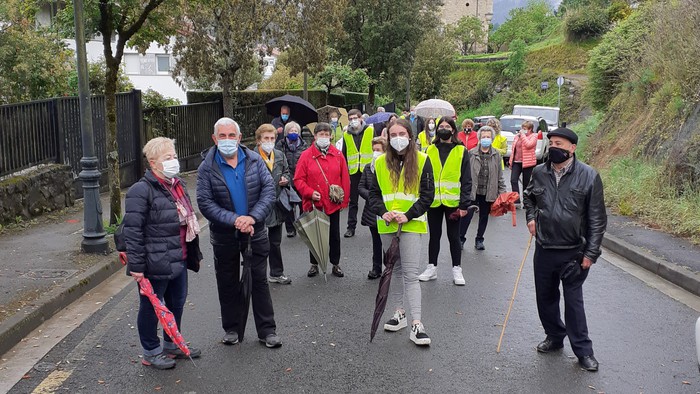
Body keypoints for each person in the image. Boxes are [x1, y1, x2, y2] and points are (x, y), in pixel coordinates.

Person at [523, 127, 607, 372]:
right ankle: (554, 336)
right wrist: (531, 217)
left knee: (574, 303)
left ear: (572, 148)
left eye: (560, 143)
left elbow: (597, 220)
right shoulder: (539, 173)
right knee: (545, 298)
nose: (554, 148)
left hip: (574, 251)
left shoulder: (589, 176)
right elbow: (529, 197)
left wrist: (591, 254)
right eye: (551, 143)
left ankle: (583, 351)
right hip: (544, 247)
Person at [197, 117, 282, 348]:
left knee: (259, 282)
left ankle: (267, 331)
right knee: (227, 282)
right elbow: (205, 203)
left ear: (239, 138)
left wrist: (252, 218)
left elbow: (268, 192)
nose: (227, 140)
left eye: (231, 135)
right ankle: (232, 328)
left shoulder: (254, 160)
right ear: (214, 139)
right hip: (225, 236)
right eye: (222, 136)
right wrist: (235, 220)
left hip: (255, 231)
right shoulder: (206, 167)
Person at [123, 137, 202, 370]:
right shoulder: (141, 190)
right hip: (154, 261)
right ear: (153, 162)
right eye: (168, 158)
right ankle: (151, 351)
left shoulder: (177, 185)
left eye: (174, 156)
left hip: (179, 255)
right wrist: (136, 266)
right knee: (150, 308)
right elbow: (133, 231)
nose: (174, 161)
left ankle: (171, 343)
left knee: (176, 303)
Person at [368, 118, 434, 346]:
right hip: (387, 224)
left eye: (401, 133)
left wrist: (409, 215)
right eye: (392, 134)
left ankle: (417, 324)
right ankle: (399, 314)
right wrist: (383, 211)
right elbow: (373, 195)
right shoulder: (379, 163)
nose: (397, 138)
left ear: (410, 135)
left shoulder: (423, 160)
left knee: (410, 274)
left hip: (411, 225)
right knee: (392, 271)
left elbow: (428, 196)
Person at [418, 118, 472, 285]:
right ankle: (431, 267)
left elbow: (467, 179)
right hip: (433, 201)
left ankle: (457, 269)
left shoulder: (461, 151)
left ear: (453, 130)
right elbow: (423, 176)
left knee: (453, 237)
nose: (443, 129)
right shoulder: (429, 150)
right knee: (434, 235)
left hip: (453, 202)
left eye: (447, 126)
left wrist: (464, 204)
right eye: (441, 126)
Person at [294, 122, 351, 278]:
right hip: (313, 203)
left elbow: (344, 178)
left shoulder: (338, 155)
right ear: (315, 136)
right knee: (314, 234)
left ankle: (335, 263)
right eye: (321, 134)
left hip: (332, 203)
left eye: (327, 134)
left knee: (334, 234)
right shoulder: (306, 156)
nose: (324, 137)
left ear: (331, 136)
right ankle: (314, 264)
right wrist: (309, 192)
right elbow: (298, 179)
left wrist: (344, 200)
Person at [256, 124, 293, 285]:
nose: (269, 141)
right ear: (259, 140)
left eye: (272, 138)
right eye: (266, 138)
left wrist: (286, 178)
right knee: (258, 242)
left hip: (277, 204)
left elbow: (287, 171)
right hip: (258, 206)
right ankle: (257, 274)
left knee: (275, 242)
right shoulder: (252, 157)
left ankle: (276, 272)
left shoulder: (279, 155)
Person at [459, 126, 506, 250]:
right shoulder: (471, 153)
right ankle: (461, 238)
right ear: (479, 138)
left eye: (488, 137)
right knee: (467, 216)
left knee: (484, 217)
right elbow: (465, 173)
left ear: (492, 139)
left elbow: (499, 175)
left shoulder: (496, 155)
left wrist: (503, 193)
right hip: (473, 190)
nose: (486, 139)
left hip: (488, 191)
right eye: (483, 137)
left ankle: (479, 239)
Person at [341, 109, 375, 238]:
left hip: (369, 170)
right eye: (350, 119)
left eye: (355, 118)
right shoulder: (346, 135)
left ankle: (376, 224)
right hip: (354, 171)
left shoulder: (370, 131)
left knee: (372, 198)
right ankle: (351, 227)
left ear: (361, 118)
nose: (353, 121)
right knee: (353, 201)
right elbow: (344, 153)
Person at [358, 136, 387, 279]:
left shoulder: (390, 167)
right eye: (374, 150)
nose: (375, 153)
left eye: (379, 150)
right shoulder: (368, 168)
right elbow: (361, 187)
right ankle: (376, 268)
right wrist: (372, 197)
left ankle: (389, 268)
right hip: (372, 210)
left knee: (387, 242)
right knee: (376, 241)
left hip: (387, 209)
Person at [276, 121, 307, 237]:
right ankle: (291, 228)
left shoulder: (304, 145)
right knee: (288, 205)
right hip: (287, 178)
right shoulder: (281, 145)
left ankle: (303, 226)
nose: (293, 133)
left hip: (300, 178)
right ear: (286, 132)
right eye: (291, 131)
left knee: (303, 204)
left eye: (295, 131)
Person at [509, 120, 538, 207]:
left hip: (528, 163)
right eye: (522, 128)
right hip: (516, 162)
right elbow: (513, 149)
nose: (523, 130)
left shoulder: (534, 136)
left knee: (526, 183)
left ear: (530, 129)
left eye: (525, 129)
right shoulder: (517, 136)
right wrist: (511, 161)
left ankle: (526, 202)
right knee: (513, 180)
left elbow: (529, 145)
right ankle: (516, 200)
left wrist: (523, 136)